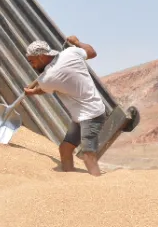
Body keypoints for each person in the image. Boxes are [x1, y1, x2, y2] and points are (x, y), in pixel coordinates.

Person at [24, 36, 106, 177]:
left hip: (91, 115)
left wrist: (33, 92)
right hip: (81, 115)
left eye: (32, 61)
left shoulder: (47, 79)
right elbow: (91, 52)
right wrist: (77, 43)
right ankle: (70, 181)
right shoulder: (70, 53)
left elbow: (43, 89)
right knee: (65, 148)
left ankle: (99, 187)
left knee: (88, 154)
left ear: (42, 57)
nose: (32, 66)